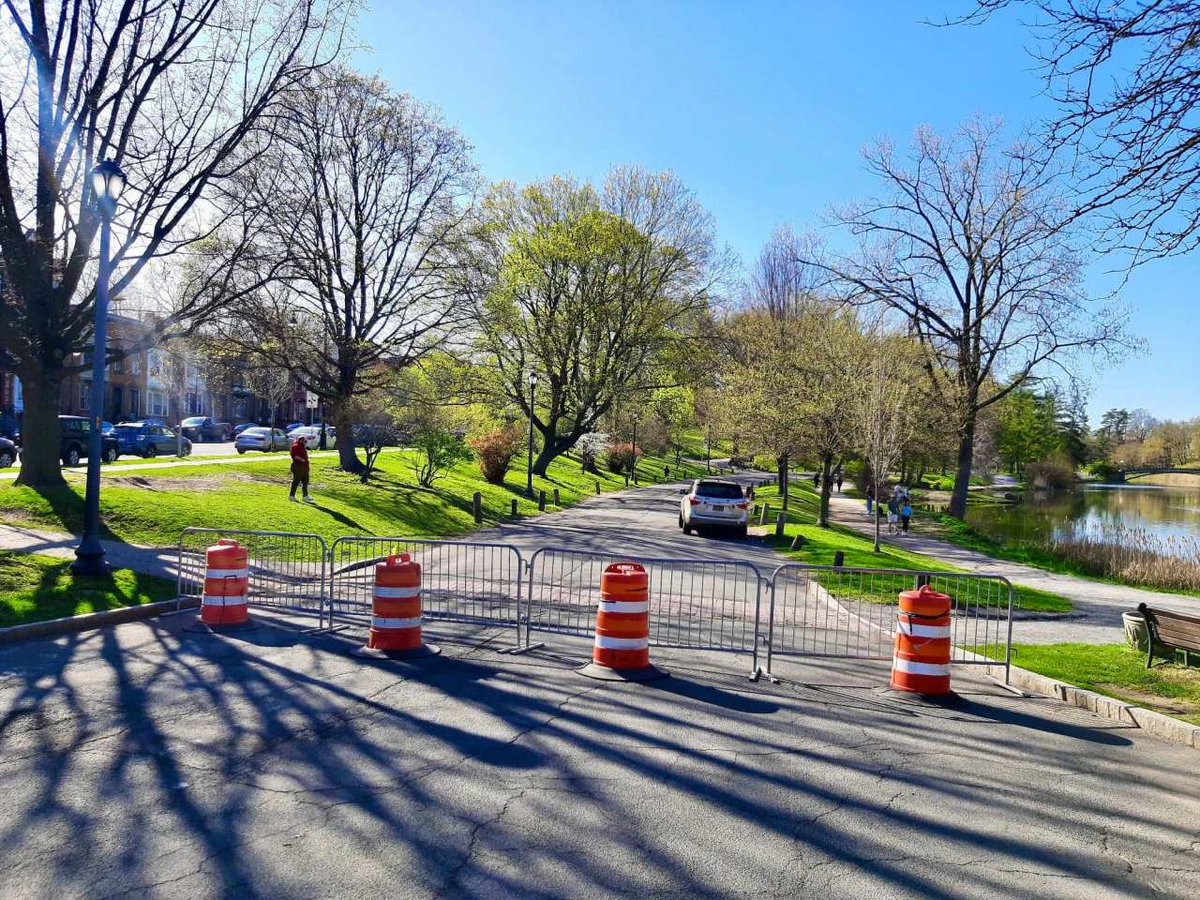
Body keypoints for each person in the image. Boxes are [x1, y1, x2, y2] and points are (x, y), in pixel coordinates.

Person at [289, 435, 313, 503]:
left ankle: (305, 496)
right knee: (296, 481)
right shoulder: (296, 446)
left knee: (305, 481)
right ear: (300, 441)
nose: (305, 443)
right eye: (304, 441)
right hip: (298, 467)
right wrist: (302, 460)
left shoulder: (302, 447)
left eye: (306, 441)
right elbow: (293, 455)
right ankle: (291, 496)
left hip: (304, 467)